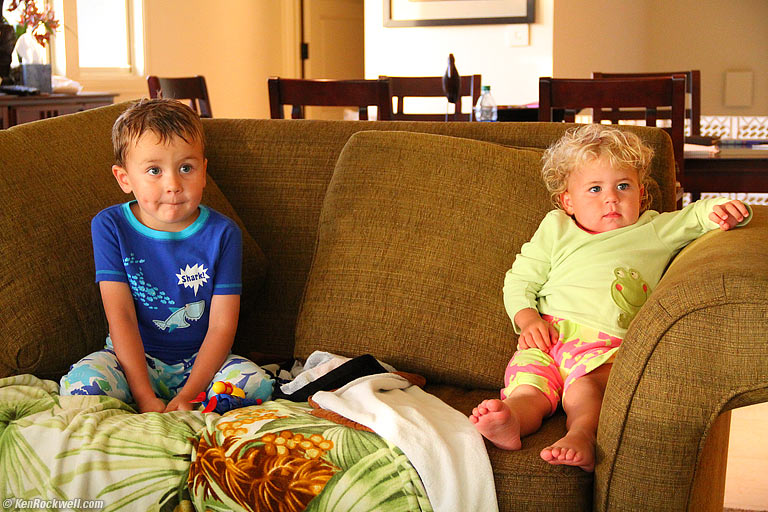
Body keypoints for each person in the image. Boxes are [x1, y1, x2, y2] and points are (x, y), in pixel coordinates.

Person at [470, 124, 751, 472]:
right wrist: (527, 318)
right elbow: (520, 279)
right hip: (547, 337)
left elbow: (694, 216)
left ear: (641, 195)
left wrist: (724, 208)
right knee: (528, 387)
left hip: (603, 350)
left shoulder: (652, 229)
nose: (611, 197)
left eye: (623, 186)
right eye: (595, 188)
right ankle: (510, 421)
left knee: (584, 392)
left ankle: (582, 435)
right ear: (568, 201)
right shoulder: (556, 228)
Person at [60, 98, 273, 413]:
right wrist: (144, 395)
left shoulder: (223, 234)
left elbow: (221, 327)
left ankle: (190, 408)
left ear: (203, 171)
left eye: (186, 168)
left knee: (257, 384)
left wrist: (188, 394)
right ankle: (149, 403)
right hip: (130, 360)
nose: (173, 184)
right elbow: (121, 317)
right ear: (124, 178)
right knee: (81, 386)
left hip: (201, 364)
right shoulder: (110, 226)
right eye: (154, 170)